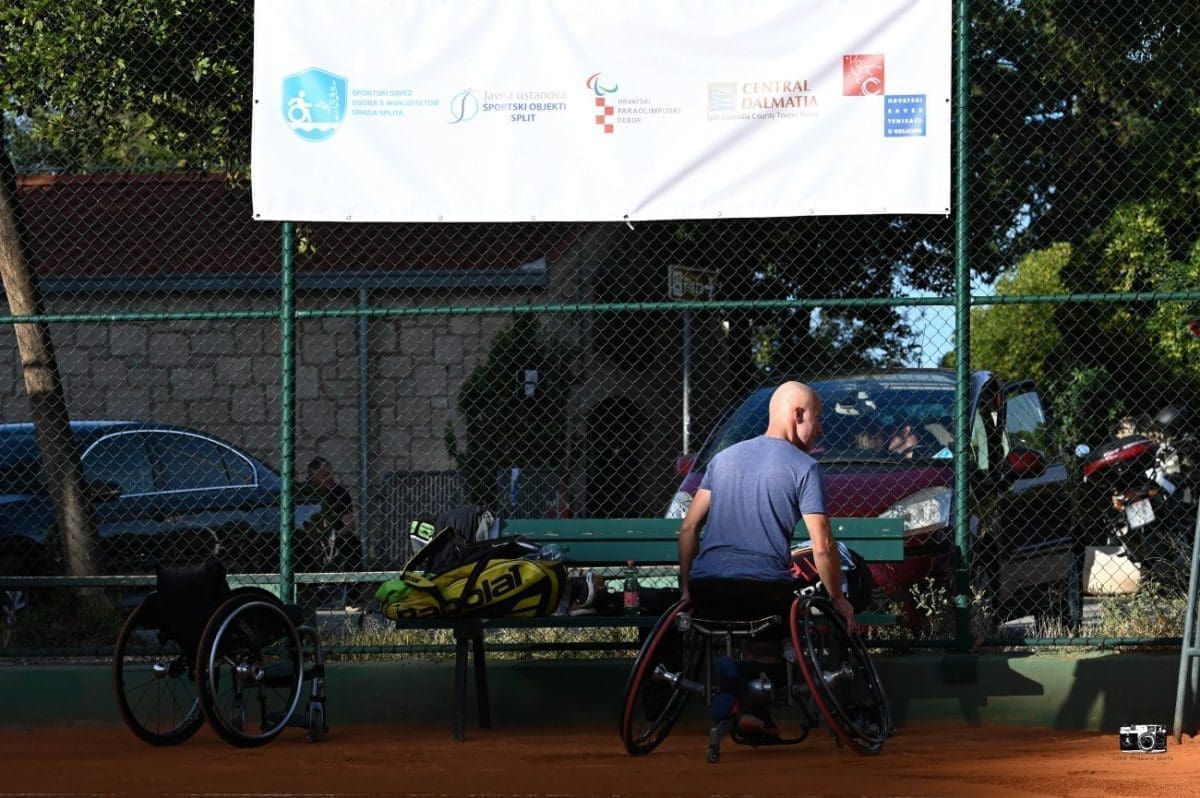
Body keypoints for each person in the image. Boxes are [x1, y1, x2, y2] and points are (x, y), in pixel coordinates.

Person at [677, 381, 857, 738]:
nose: (821, 429)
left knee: (750, 616)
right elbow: (822, 546)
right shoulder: (805, 468)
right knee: (772, 624)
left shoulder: (722, 459)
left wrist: (686, 589)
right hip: (763, 589)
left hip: (707, 589)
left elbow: (688, 528)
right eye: (818, 417)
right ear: (798, 414)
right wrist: (838, 599)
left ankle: (750, 706)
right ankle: (746, 686)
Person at [298, 457, 359, 605]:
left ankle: (352, 593)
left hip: (335, 535)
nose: (330, 477)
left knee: (353, 543)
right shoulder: (303, 492)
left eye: (331, 473)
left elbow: (349, 524)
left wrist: (334, 536)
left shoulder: (339, 492)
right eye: (325, 474)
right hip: (307, 535)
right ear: (313, 476)